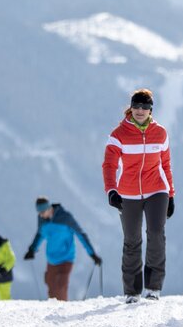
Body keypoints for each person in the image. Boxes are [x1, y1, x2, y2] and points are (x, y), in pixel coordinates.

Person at [102, 88, 175, 303]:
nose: (140, 110)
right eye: (136, 106)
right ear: (131, 108)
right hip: (128, 193)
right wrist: (111, 190)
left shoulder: (160, 133)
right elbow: (109, 165)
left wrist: (170, 194)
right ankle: (132, 292)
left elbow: (166, 164)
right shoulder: (118, 135)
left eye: (145, 107)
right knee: (132, 240)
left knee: (156, 234)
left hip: (157, 190)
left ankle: (153, 288)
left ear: (151, 109)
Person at [24, 197, 102, 301]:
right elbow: (40, 234)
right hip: (51, 259)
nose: (41, 215)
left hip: (66, 258)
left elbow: (81, 234)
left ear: (49, 208)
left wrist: (92, 254)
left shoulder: (65, 218)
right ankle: (53, 313)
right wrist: (32, 250)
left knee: (60, 287)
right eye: (39, 213)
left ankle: (64, 312)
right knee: (51, 290)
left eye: (42, 212)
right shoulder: (42, 219)